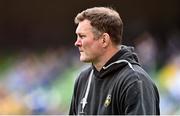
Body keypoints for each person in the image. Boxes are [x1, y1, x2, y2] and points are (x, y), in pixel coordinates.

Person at [69, 6, 160, 115]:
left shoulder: (135, 82)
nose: (77, 43)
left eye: (82, 36)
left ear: (104, 40)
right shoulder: (83, 79)